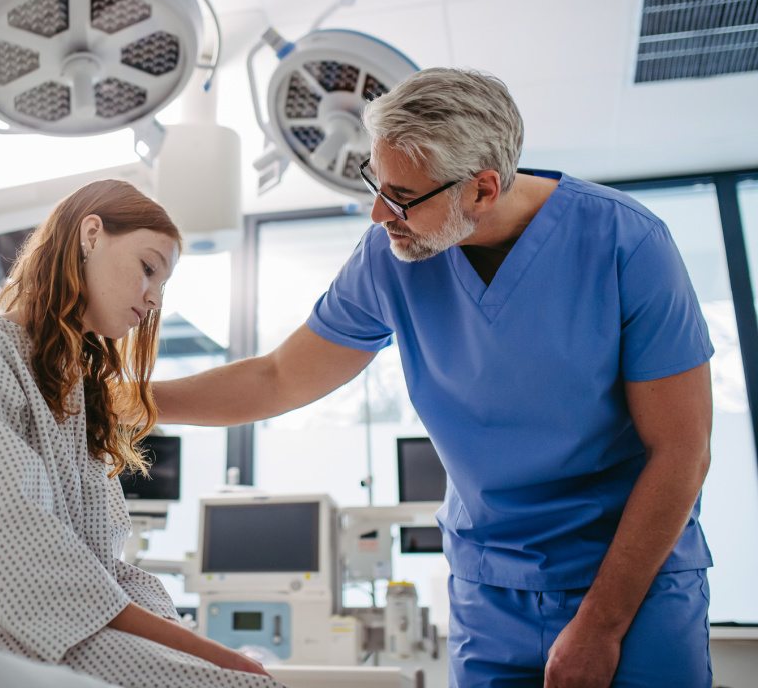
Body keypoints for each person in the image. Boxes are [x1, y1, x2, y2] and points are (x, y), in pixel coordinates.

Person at [153, 69, 714, 688]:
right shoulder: (390, 260)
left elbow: (681, 450)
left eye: (400, 194)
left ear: (482, 190)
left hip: (630, 580)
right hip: (490, 589)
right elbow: (278, 378)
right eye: (375, 181)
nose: (377, 212)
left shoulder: (626, 243)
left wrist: (603, 624)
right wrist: (129, 403)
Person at [0, 179, 278, 688]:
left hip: (41, 629)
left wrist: (182, 636)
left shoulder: (72, 390)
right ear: (91, 234)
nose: (152, 299)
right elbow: (20, 554)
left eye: (162, 286)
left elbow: (105, 567)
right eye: (148, 269)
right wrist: (204, 652)